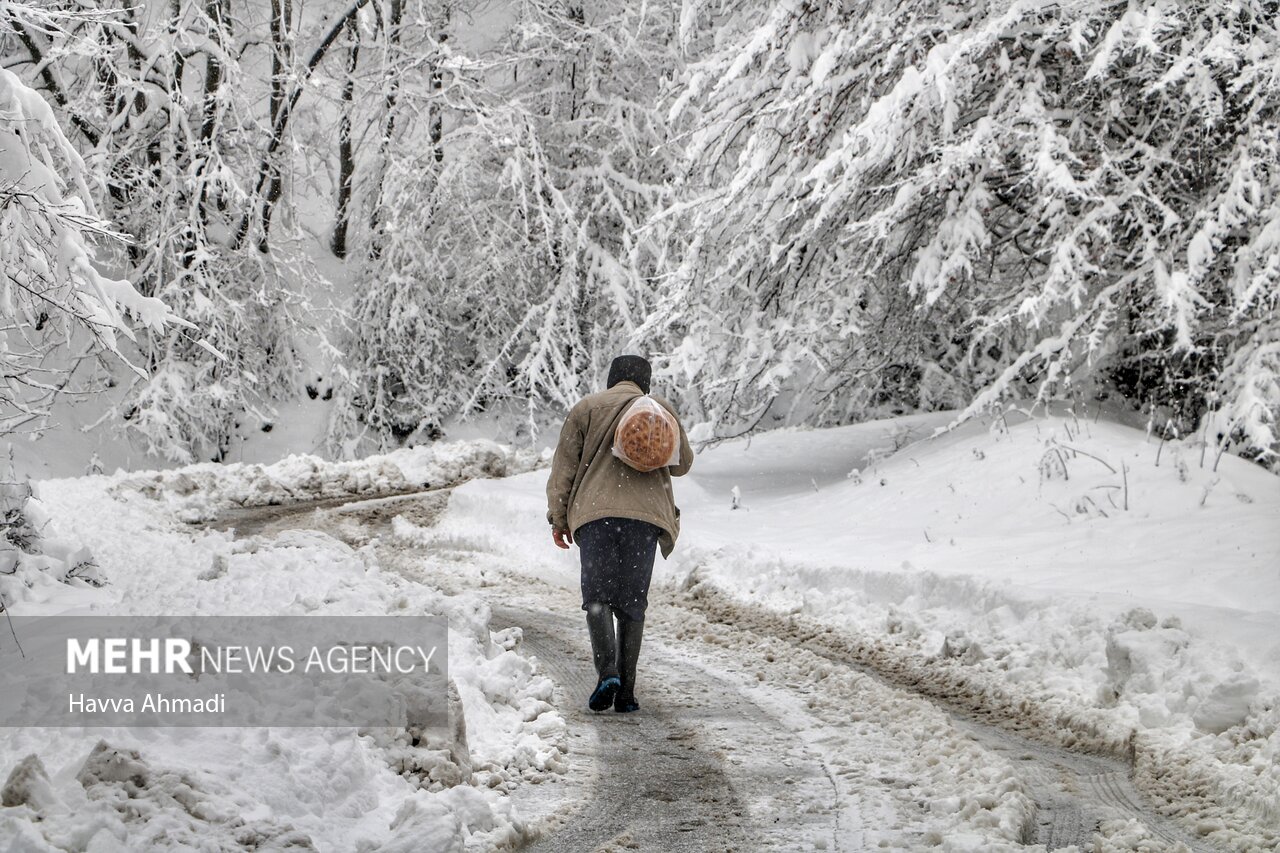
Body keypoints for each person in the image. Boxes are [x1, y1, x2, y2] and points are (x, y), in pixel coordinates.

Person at [545, 355, 693, 713]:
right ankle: (626, 693)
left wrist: (558, 518)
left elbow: (563, 469)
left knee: (597, 597)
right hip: (644, 520)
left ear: (612, 379)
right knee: (632, 604)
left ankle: (606, 671)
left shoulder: (587, 408)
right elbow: (683, 464)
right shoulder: (659, 408)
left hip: (596, 517)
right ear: (647, 383)